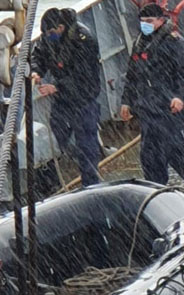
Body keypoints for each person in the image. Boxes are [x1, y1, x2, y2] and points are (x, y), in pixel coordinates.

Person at [120, 4, 184, 199]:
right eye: (142, 22)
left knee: (179, 155)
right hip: (147, 111)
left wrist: (179, 96)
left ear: (161, 21)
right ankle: (157, 194)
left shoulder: (173, 42)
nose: (145, 25)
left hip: (168, 110)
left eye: (149, 21)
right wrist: (126, 101)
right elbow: (132, 76)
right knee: (150, 158)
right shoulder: (140, 43)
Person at [30, 8, 102, 187]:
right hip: (63, 102)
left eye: (51, 33)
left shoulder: (83, 39)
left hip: (83, 99)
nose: (49, 37)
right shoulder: (49, 38)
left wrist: (57, 87)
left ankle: (90, 184)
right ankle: (52, 180)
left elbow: (84, 74)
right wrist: (36, 71)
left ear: (61, 27)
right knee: (56, 137)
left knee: (87, 144)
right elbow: (39, 54)